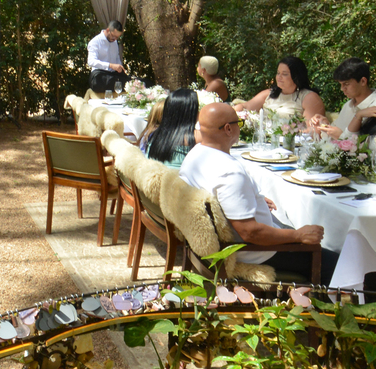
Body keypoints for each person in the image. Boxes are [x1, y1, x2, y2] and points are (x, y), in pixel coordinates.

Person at [179, 102, 339, 282]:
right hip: (256, 251)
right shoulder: (229, 172)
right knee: (336, 263)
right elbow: (250, 232)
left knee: (287, 223)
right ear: (228, 129)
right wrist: (298, 235)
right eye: (238, 123)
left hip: (225, 243)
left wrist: (253, 200)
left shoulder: (195, 154)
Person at [235, 56, 326, 124]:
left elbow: (313, 131)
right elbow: (245, 107)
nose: (279, 77)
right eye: (278, 73)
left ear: (297, 76)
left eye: (284, 74)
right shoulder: (269, 94)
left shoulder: (309, 97)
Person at [311, 58, 376, 138]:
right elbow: (336, 132)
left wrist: (341, 137)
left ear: (363, 81)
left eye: (346, 84)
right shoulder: (348, 105)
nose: (342, 88)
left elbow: (372, 145)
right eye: (341, 84)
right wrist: (325, 124)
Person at [145, 88, 198, 167]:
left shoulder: (156, 134)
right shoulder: (197, 137)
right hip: (177, 178)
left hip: (154, 176)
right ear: (191, 112)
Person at [87, 20, 126, 94]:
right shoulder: (95, 42)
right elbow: (91, 61)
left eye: (117, 37)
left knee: (129, 82)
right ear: (108, 30)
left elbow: (117, 57)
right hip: (100, 75)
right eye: (113, 36)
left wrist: (120, 67)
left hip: (112, 75)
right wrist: (110, 65)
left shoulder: (114, 42)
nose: (115, 39)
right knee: (99, 81)